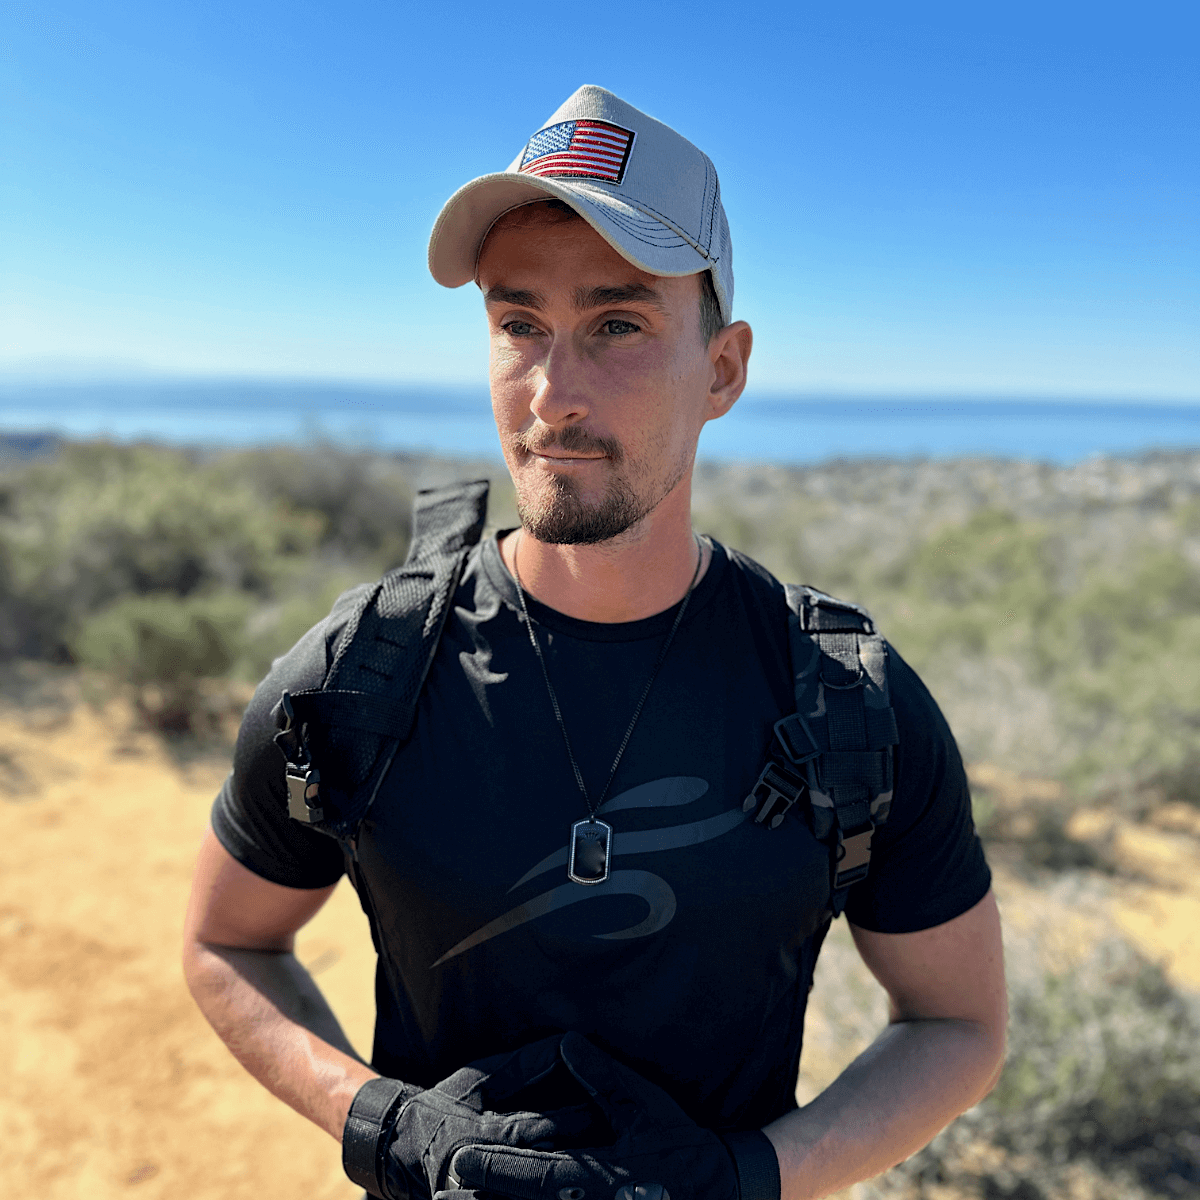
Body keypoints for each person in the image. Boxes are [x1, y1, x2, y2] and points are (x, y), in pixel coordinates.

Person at [183, 85, 1006, 1200]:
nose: (553, 397)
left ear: (722, 369)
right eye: (519, 325)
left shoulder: (842, 702)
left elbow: (958, 1023)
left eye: (617, 325)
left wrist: (745, 1175)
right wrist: (379, 1122)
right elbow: (226, 945)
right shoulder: (364, 674)